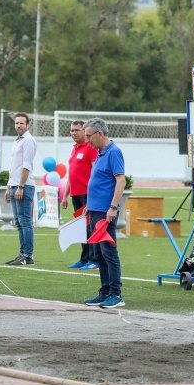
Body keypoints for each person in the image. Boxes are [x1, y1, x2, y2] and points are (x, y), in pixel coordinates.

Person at [82, 118, 126, 309]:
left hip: (105, 213)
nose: (87, 141)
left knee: (109, 253)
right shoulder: (100, 153)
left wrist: (113, 207)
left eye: (89, 136)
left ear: (100, 134)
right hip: (95, 211)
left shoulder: (114, 152)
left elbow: (120, 180)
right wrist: (89, 206)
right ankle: (105, 291)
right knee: (99, 253)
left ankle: (116, 294)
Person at [61, 120, 98, 270]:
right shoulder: (74, 149)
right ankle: (84, 258)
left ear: (84, 132)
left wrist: (92, 195)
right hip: (76, 195)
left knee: (90, 228)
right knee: (81, 229)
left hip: (86, 194)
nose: (74, 133)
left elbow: (95, 172)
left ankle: (94, 260)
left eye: (77, 130)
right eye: (72, 130)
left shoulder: (90, 148)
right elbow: (71, 174)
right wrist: (65, 195)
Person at [5, 112, 37, 265]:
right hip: (14, 185)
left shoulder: (28, 141)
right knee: (18, 222)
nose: (18, 125)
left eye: (21, 123)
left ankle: (27, 255)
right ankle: (22, 253)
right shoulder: (17, 141)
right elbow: (14, 166)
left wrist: (20, 186)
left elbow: (26, 165)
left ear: (27, 125)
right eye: (16, 123)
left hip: (23, 186)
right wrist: (9, 186)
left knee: (25, 221)